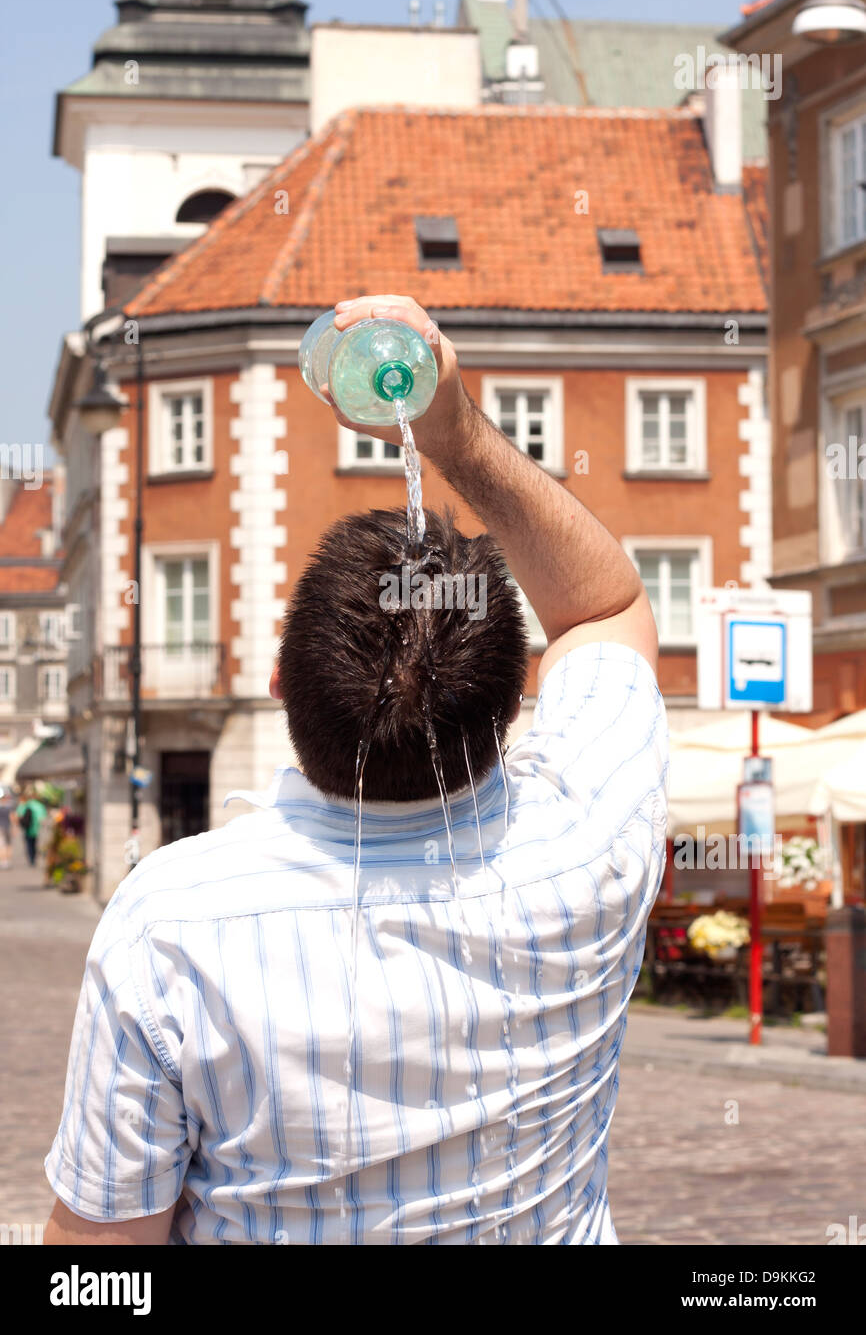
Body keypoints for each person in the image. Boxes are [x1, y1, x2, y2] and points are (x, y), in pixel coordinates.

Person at [44, 294, 667, 1246]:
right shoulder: (588, 844)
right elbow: (603, 608)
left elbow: (101, 1257)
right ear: (514, 702)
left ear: (278, 686)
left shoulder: (169, 925)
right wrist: (455, 435)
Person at [15, 787, 48, 872]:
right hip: (36, 828)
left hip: (28, 828)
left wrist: (17, 826)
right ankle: (34, 857)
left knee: (28, 843)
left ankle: (31, 859)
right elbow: (43, 819)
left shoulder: (26, 804)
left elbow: (19, 815)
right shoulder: (40, 805)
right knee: (34, 843)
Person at [0, 787, 14, 869]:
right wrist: (14, 827)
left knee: (2, 845)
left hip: (0, 828)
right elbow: (12, 817)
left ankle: (3, 861)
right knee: (8, 845)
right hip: (7, 827)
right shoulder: (9, 807)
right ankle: (7, 861)